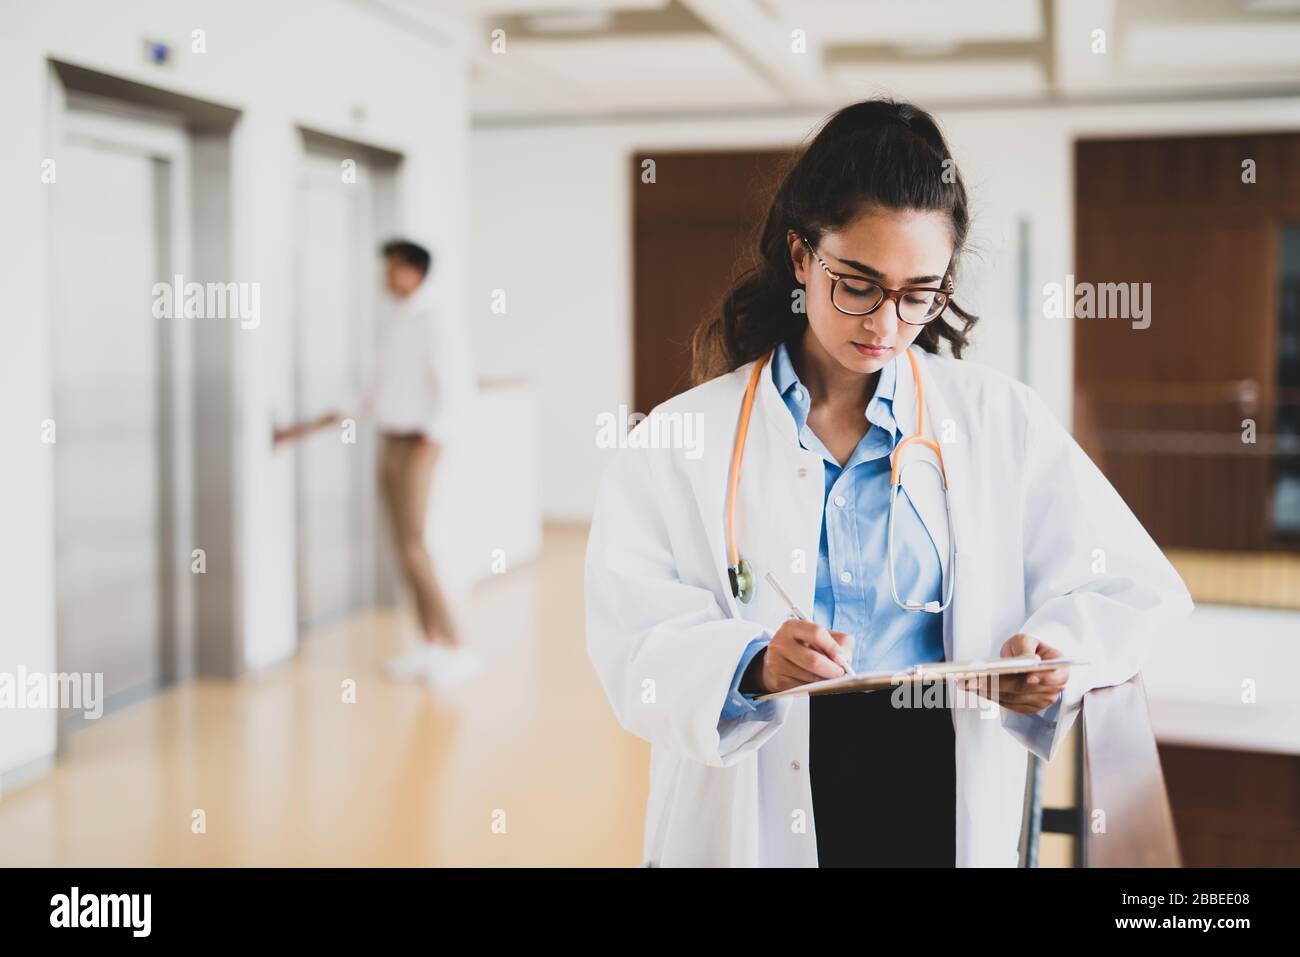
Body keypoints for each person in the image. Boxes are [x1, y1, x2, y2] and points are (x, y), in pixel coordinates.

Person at [583, 99, 1194, 867]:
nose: (885, 323)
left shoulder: (998, 419)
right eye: (858, 284)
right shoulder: (682, 438)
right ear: (802, 258)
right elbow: (630, 633)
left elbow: (1135, 588)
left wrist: (1053, 655)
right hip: (761, 784)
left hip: (935, 782)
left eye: (918, 294)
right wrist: (750, 664)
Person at [275, 238, 479, 691]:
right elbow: (370, 396)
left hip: (419, 443)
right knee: (401, 546)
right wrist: (300, 429)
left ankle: (458, 646)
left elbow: (456, 390)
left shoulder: (436, 322)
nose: (385, 277)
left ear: (413, 271)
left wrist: (433, 438)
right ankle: (430, 642)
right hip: (390, 440)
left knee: (414, 547)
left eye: (391, 268)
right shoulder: (398, 323)